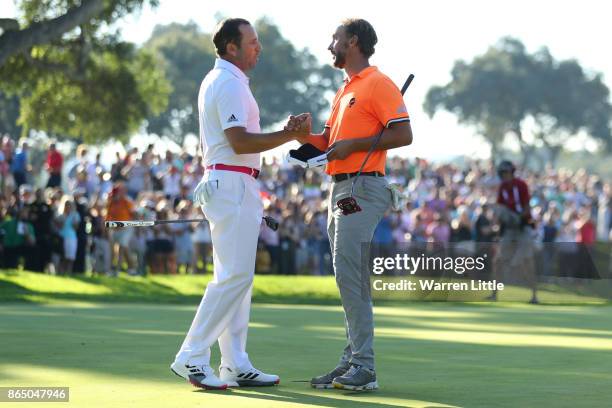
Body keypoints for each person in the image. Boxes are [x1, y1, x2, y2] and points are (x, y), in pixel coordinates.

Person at [170, 17, 310, 390]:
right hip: (231, 182)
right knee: (234, 277)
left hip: (234, 182)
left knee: (237, 278)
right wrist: (288, 134)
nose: (258, 47)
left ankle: (235, 362)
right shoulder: (228, 82)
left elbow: (240, 140)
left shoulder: (227, 81)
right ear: (231, 47)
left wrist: (285, 132)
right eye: (251, 42)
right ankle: (193, 356)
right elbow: (240, 142)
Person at [290, 18, 412, 391]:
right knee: (346, 277)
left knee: (351, 276)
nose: (331, 45)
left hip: (363, 188)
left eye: (336, 39)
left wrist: (353, 146)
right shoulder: (345, 90)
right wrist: (301, 135)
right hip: (341, 189)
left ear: (353, 42)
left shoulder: (377, 83)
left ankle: (364, 366)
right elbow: (329, 140)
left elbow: (403, 132)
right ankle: (351, 361)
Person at [489, 160, 539, 303]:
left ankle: (534, 295)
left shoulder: (521, 185)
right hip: (510, 228)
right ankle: (494, 294)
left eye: (506, 172)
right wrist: (499, 227)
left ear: (511, 172)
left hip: (523, 226)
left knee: (526, 261)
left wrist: (518, 218)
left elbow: (527, 208)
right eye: (502, 173)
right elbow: (500, 209)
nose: (504, 176)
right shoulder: (502, 187)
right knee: (498, 260)